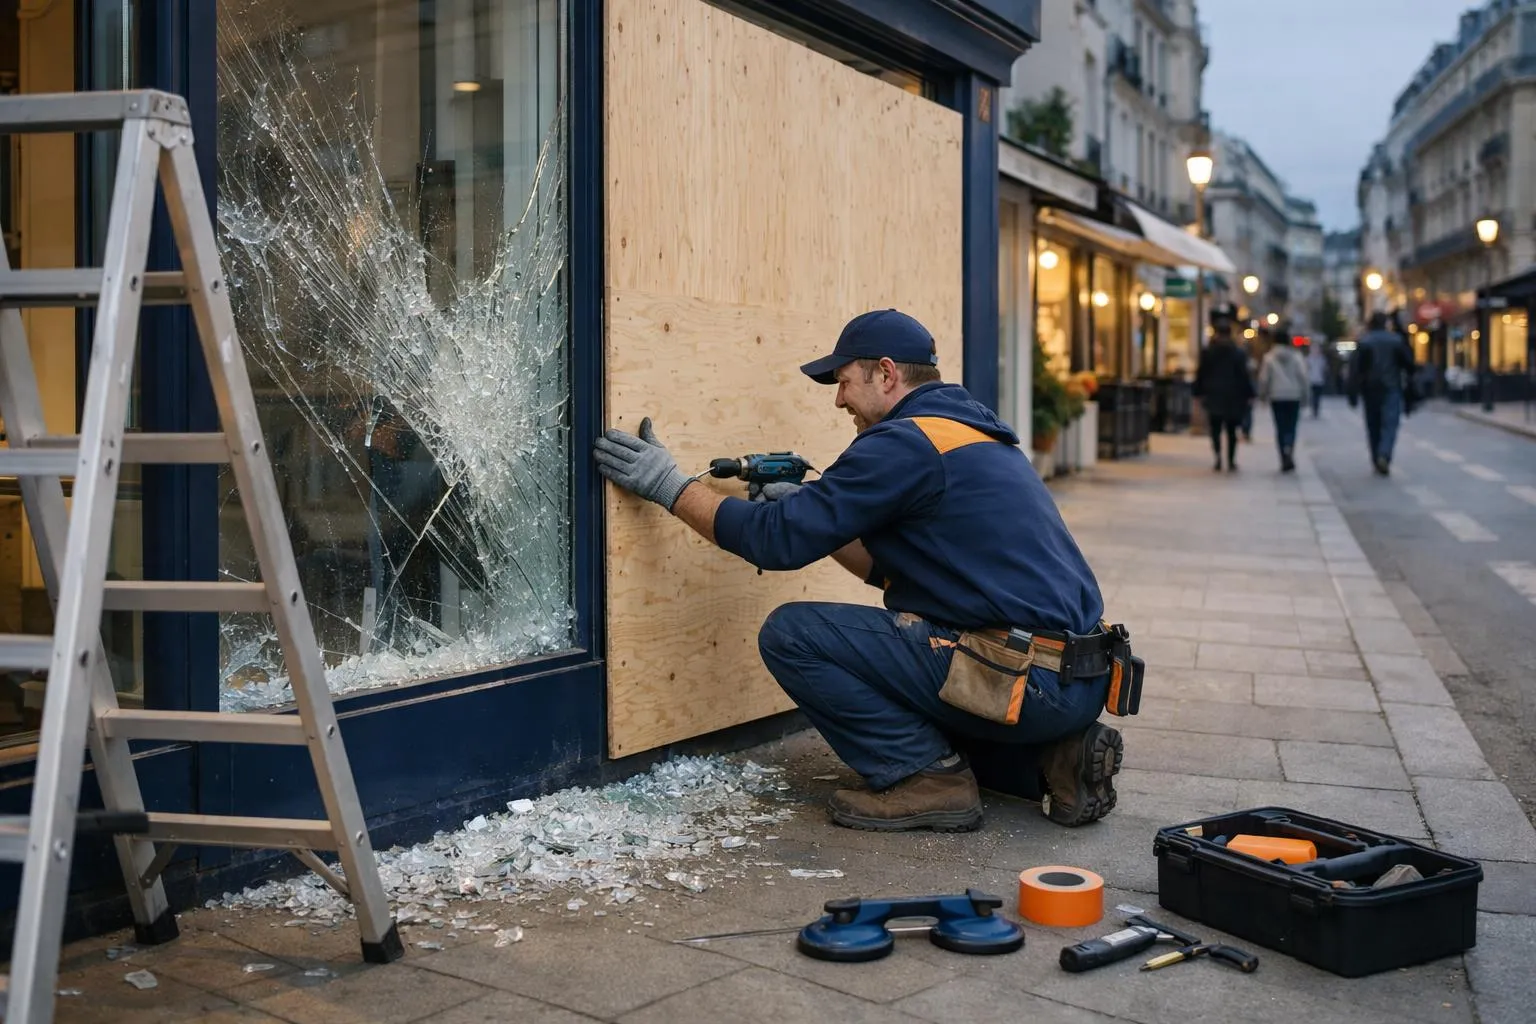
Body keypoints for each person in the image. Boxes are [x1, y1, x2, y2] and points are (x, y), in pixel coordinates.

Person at [593, 309, 1126, 833]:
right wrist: (811, 511)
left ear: (886, 373)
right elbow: (893, 572)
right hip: (1073, 681)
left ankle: (929, 781)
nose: (839, 398)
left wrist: (669, 485)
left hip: (1023, 679)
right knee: (916, 658)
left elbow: (773, 541)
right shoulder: (967, 433)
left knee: (795, 635)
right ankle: (1056, 761)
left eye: (845, 380)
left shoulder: (904, 442)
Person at [1347, 311, 1416, 476]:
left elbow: (1355, 370)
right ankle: (1384, 454)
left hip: (1370, 389)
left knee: (1373, 425)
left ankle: (1376, 456)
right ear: (1386, 324)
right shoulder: (1396, 341)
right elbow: (1409, 364)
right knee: (1390, 424)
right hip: (1391, 386)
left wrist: (1353, 392)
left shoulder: (1364, 342)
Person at [1192, 304, 1255, 472]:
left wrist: (1197, 392)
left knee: (1215, 428)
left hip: (1214, 395)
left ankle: (1218, 456)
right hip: (1233, 396)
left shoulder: (1209, 352)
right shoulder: (1238, 353)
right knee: (1232, 430)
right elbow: (1244, 375)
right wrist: (1249, 394)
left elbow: (1201, 373)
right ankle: (1231, 460)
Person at [1258, 331, 1310, 473]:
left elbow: (1264, 379)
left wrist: (1262, 395)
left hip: (1277, 396)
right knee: (1291, 426)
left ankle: (1283, 455)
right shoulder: (1297, 357)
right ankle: (1289, 450)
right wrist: (1306, 396)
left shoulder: (1269, 358)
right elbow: (1303, 377)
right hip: (1294, 396)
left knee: (1280, 427)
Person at [1307, 342, 1328, 418]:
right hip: (1311, 380)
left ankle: (1316, 410)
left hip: (1319, 380)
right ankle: (1313, 409)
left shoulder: (1322, 359)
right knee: (1312, 397)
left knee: (1317, 397)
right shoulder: (1308, 359)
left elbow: (1324, 369)